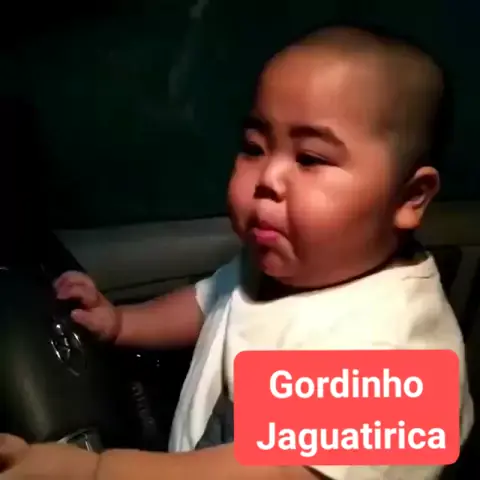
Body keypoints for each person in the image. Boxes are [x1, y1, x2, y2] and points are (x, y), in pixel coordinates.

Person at [0, 24, 473, 480]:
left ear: (410, 197)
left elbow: (274, 471)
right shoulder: (292, 263)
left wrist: (97, 470)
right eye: (254, 147)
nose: (268, 178)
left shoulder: (401, 350)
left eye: (310, 158)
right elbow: (212, 302)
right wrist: (122, 324)